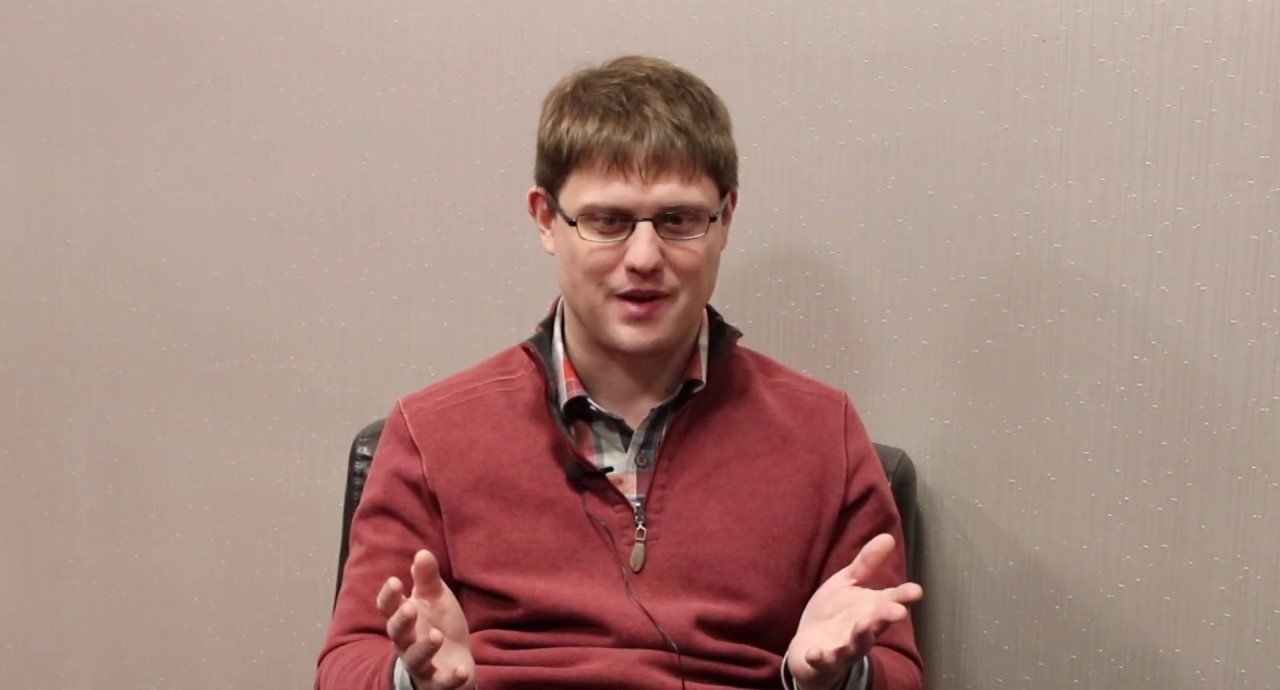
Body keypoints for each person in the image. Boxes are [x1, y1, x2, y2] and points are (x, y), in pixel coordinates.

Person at [316, 55, 923, 690]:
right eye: (607, 222)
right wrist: (411, 679)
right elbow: (346, 664)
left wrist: (837, 678)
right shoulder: (433, 433)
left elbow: (899, 670)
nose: (644, 258)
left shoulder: (823, 433)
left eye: (678, 221)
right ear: (546, 219)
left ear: (725, 220)